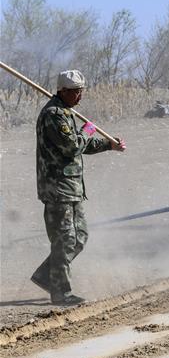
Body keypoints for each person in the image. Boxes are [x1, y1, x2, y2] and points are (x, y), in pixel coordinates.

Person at [31, 70, 126, 306]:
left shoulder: (66, 112)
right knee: (64, 240)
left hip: (72, 187)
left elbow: (82, 145)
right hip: (57, 188)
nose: (80, 97)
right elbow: (72, 146)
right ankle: (61, 292)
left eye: (81, 91)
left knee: (80, 237)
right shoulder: (54, 115)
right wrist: (87, 130)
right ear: (63, 91)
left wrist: (108, 145)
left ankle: (46, 274)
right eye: (75, 92)